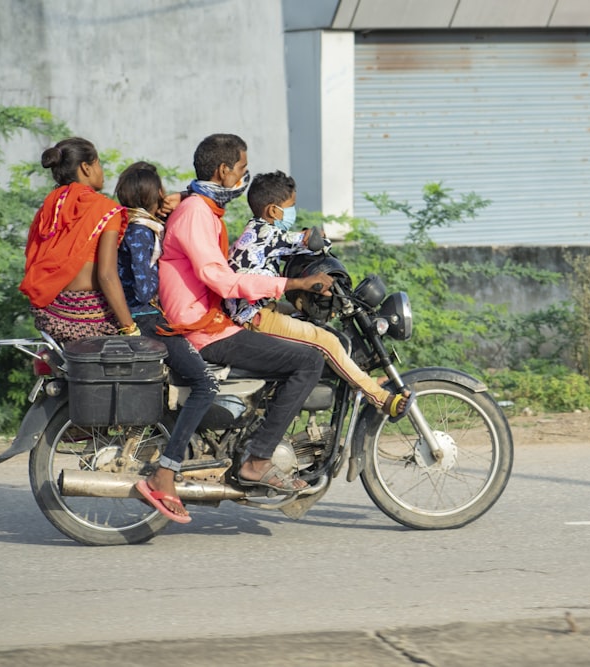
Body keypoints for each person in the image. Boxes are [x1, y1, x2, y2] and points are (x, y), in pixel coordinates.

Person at [158, 134, 334, 494]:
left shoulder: (200, 208)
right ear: (224, 171)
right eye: (241, 168)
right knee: (309, 362)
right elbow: (220, 280)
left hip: (210, 320)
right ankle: (258, 460)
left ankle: (253, 437)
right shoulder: (195, 213)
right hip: (203, 328)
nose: (244, 176)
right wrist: (293, 285)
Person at [227, 170, 411, 420]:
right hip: (254, 316)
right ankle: (380, 398)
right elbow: (309, 241)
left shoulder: (255, 232)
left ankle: (359, 377)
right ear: (272, 210)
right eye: (290, 207)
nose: (291, 212)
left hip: (254, 309)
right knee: (326, 341)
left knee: (311, 322)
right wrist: (318, 240)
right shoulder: (266, 233)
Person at [115, 161, 215, 523]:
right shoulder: (141, 231)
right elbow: (143, 287)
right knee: (205, 383)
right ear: (150, 194)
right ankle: (167, 471)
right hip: (145, 318)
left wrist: (183, 198)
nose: (164, 194)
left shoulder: (135, 223)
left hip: (145, 316)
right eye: (160, 189)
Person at [20, 137, 138, 343]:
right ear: (86, 168)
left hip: (51, 317)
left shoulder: (48, 208)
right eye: (98, 163)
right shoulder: (105, 209)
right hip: (89, 320)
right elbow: (107, 276)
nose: (102, 171)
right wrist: (130, 329)